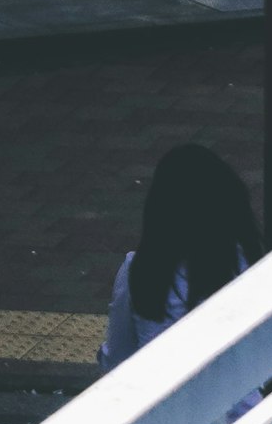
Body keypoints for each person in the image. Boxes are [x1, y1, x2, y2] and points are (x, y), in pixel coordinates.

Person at [100, 137, 257, 364]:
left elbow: (117, 355)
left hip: (159, 394)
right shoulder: (247, 265)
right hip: (240, 397)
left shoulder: (139, 269)